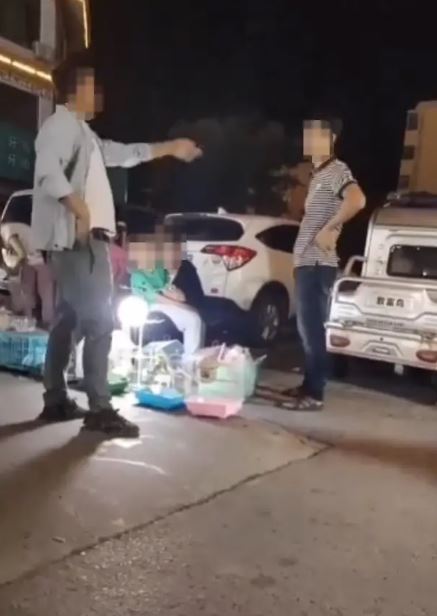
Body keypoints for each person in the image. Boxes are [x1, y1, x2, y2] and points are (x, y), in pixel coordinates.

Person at [31, 51, 202, 437]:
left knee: (69, 320)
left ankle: (56, 399)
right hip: (80, 241)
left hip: (83, 241)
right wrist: (80, 209)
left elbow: (124, 154)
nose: (99, 94)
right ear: (76, 89)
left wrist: (170, 148)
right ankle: (100, 409)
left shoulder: (85, 135)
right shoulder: (60, 126)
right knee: (100, 322)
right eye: (93, 86)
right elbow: (47, 172)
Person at [286, 118, 366, 411]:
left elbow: (357, 200)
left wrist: (330, 228)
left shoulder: (336, 170)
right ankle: (308, 384)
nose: (309, 141)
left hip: (317, 263)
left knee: (312, 330)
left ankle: (315, 394)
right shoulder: (318, 175)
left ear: (331, 139)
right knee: (307, 330)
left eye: (316, 136)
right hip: (308, 262)